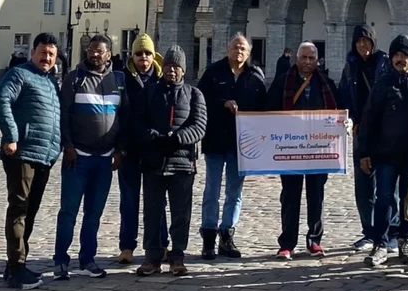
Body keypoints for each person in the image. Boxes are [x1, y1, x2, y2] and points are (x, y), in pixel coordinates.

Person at [52, 34, 127, 281]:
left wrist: (119, 150)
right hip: (78, 158)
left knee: (93, 214)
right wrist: (69, 146)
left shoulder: (118, 80)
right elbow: (63, 115)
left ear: (109, 54)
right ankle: (61, 260)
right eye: (91, 50)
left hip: (104, 159)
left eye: (100, 51)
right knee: (68, 212)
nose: (95, 54)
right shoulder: (75, 79)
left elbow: (124, 118)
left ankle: (87, 259)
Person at [0, 32, 62, 290]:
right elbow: (0, 100)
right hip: (22, 154)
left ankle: (19, 262)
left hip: (44, 156)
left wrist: (57, 148)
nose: (46, 57)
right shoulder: (20, 74)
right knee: (19, 209)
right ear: (33, 52)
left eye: (51, 54)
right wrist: (11, 135)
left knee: (29, 211)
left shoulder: (51, 82)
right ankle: (15, 267)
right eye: (43, 52)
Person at [133, 46, 206, 277]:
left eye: (176, 67)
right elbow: (137, 122)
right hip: (154, 162)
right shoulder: (149, 92)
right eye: (168, 67)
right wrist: (151, 136)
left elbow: (199, 126)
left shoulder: (194, 94)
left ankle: (177, 256)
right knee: (152, 212)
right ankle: (152, 257)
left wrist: (178, 138)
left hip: (182, 163)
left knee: (180, 213)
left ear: (183, 70)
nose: (171, 72)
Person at [358, 34, 408, 268]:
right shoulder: (383, 83)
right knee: (384, 198)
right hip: (386, 153)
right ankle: (380, 243)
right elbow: (369, 118)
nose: (400, 59)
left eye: (404, 55)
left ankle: (405, 241)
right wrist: (364, 152)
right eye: (396, 55)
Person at [197, 33, 267, 259]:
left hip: (242, 145)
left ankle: (227, 235)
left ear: (249, 53)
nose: (239, 51)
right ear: (228, 49)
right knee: (212, 191)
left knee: (234, 193)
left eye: (243, 48)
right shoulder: (213, 73)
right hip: (216, 141)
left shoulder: (255, 76)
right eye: (235, 47)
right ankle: (208, 237)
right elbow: (199, 102)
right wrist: (222, 104)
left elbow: (264, 109)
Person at [267, 42, 339, 258]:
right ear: (296, 59)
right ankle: (287, 242)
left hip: (318, 151)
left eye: (312, 58)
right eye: (304, 57)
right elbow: (268, 109)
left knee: (316, 195)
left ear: (317, 61)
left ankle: (314, 240)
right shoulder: (282, 83)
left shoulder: (326, 83)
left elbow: (339, 110)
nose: (307, 62)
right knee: (289, 196)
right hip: (290, 150)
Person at [338, 23, 391, 253]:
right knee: (364, 185)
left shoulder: (385, 63)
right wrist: (349, 118)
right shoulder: (350, 67)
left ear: (373, 42)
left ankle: (388, 234)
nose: (363, 45)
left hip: (384, 132)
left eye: (367, 40)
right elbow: (343, 96)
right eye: (359, 41)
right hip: (361, 132)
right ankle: (368, 232)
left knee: (388, 186)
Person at [116, 34, 165, 264]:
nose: (143, 58)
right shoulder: (122, 79)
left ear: (153, 55)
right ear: (132, 56)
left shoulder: (163, 78)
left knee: (157, 201)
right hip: (130, 149)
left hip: (156, 149)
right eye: (138, 53)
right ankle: (127, 246)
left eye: (147, 53)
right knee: (129, 199)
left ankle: (160, 244)